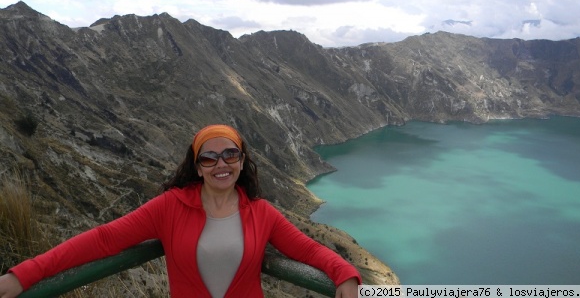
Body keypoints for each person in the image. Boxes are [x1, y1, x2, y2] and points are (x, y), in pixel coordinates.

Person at [0, 124, 360, 297]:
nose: (221, 163)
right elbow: (104, 239)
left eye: (230, 154)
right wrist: (24, 275)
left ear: (242, 160)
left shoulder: (262, 213)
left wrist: (344, 273)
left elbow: (309, 249)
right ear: (197, 165)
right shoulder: (170, 207)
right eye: (209, 156)